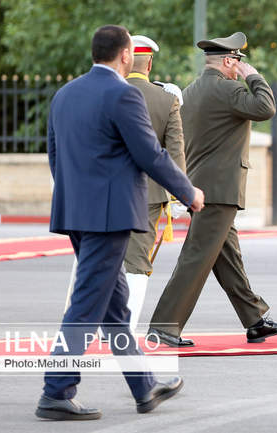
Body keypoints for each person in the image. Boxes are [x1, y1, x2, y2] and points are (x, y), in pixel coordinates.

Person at [36, 25, 205, 421]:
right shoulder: (122, 93)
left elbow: (55, 155)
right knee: (85, 305)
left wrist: (75, 201)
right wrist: (188, 191)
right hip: (108, 218)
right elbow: (150, 154)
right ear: (126, 55)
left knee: (114, 308)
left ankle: (143, 386)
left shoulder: (65, 94)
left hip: (76, 213)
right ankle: (56, 390)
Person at [148, 32, 277, 346]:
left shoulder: (191, 91)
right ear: (227, 61)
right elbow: (266, 107)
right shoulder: (227, 89)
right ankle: (164, 326)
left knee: (228, 258)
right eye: (237, 61)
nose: (240, 66)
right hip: (220, 189)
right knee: (196, 257)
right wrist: (253, 76)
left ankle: (254, 320)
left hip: (202, 185)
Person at [123, 34, 188, 335]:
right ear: (149, 64)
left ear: (124, 60)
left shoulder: (105, 93)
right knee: (137, 264)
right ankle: (124, 330)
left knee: (100, 260)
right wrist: (178, 197)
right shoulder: (166, 99)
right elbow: (175, 153)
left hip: (102, 192)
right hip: (146, 194)